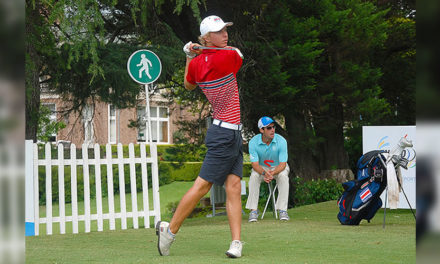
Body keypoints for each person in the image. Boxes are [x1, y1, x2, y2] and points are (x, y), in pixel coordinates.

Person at [156, 15, 244, 258]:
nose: (225, 34)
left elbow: (188, 84)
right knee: (202, 186)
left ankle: (236, 242)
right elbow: (238, 54)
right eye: (218, 31)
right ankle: (170, 230)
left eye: (225, 29)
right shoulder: (227, 58)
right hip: (224, 133)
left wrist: (190, 55)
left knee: (234, 187)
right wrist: (198, 50)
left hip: (230, 132)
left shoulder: (197, 63)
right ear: (207, 37)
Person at [245, 116, 290, 222]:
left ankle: (283, 210)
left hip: (278, 167)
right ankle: (253, 211)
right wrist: (265, 173)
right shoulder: (253, 142)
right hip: (262, 168)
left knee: (283, 176)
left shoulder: (282, 141)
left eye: (273, 127)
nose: (272, 130)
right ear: (261, 130)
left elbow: (283, 164)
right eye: (269, 128)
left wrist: (272, 172)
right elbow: (255, 165)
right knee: (254, 176)